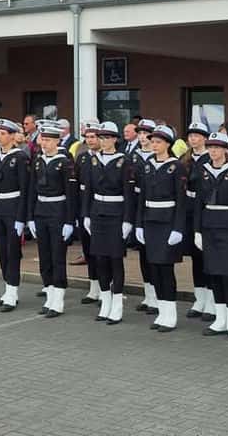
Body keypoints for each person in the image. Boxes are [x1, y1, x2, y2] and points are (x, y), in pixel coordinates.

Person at [195, 132, 228, 343]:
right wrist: (197, 231)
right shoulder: (203, 170)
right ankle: (220, 320)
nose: (213, 151)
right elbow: (198, 203)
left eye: (217, 147)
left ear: (226, 149)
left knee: (227, 275)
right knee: (213, 274)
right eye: (211, 147)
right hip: (209, 227)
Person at [135, 124, 187, 332]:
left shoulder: (176, 166)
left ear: (168, 144)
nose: (154, 145)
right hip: (150, 221)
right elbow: (142, 197)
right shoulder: (148, 165)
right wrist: (139, 224)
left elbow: (181, 200)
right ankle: (162, 311)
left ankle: (170, 314)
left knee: (165, 269)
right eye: (153, 141)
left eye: (158, 142)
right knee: (154, 268)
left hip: (168, 222)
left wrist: (178, 228)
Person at [82, 121, 132, 325]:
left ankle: (117, 304)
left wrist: (127, 220)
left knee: (115, 260)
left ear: (115, 139)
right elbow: (88, 189)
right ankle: (105, 301)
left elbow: (129, 193)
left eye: (107, 137)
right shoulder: (93, 160)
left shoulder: (124, 161)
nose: (103, 141)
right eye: (100, 137)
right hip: (97, 212)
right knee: (100, 259)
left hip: (116, 213)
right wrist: (86, 215)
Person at [30, 120, 78, 318]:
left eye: (48, 140)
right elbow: (32, 190)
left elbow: (71, 194)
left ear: (57, 141)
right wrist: (30, 217)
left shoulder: (64, 162)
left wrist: (69, 221)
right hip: (41, 210)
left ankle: (58, 300)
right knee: (45, 257)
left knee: (58, 257)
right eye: (43, 139)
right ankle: (49, 295)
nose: (44, 143)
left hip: (58, 211)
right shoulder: (38, 160)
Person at [0, 118, 30, 312]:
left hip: (13, 208)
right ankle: (8, 289)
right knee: (2, 251)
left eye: (3, 134)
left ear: (12, 136)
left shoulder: (20, 157)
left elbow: (25, 189)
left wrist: (21, 218)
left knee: (13, 252)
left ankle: (12, 293)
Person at [183, 121, 215, 322]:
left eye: (197, 135)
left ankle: (212, 300)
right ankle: (200, 299)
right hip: (189, 210)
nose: (193, 139)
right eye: (190, 135)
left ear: (204, 138)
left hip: (205, 208)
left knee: (207, 257)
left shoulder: (210, 158)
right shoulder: (185, 158)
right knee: (195, 256)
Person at [130, 118, 159, 314]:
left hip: (154, 207)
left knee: (155, 254)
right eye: (139, 133)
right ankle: (148, 295)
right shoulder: (133, 155)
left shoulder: (159, 156)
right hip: (137, 204)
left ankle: (157, 296)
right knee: (143, 253)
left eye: (146, 134)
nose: (142, 137)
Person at [73, 123, 101, 301]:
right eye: (87, 137)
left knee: (104, 251)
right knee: (88, 249)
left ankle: (108, 286)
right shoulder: (82, 158)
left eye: (93, 137)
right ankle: (94, 287)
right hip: (84, 206)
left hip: (101, 205)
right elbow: (75, 184)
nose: (90, 141)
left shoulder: (107, 157)